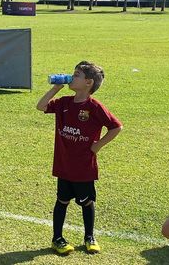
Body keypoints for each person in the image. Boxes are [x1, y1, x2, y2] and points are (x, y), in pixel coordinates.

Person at [37, 61, 123, 255]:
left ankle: (89, 236)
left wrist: (97, 145)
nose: (71, 77)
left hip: (84, 167)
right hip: (64, 164)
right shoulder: (64, 103)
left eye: (76, 75)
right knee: (62, 201)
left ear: (88, 83)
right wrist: (55, 88)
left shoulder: (94, 107)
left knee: (86, 202)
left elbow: (116, 127)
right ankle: (57, 238)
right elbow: (41, 106)